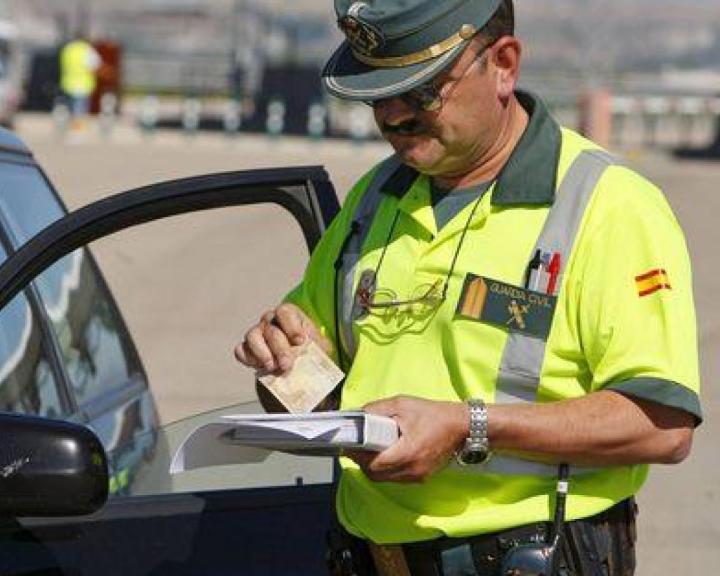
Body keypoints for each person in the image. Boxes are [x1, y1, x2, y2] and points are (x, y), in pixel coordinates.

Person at [235, 1, 701, 574]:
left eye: (422, 91)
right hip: (363, 556)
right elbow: (310, 385)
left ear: (503, 65)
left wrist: (468, 426)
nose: (395, 116)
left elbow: (662, 424)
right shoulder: (376, 198)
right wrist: (282, 362)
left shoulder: (607, 205)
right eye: (377, 94)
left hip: (524, 558)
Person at [59, 33, 102, 123]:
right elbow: (96, 64)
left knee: (70, 105)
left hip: (68, 82)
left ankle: (67, 122)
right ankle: (77, 124)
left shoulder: (68, 49)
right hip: (83, 83)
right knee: (80, 106)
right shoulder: (86, 50)